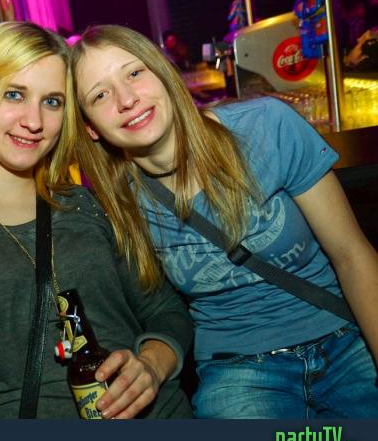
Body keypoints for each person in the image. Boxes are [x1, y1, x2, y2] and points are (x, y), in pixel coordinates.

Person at [0, 21, 193, 419]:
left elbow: (166, 311)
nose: (34, 121)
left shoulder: (83, 205)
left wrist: (151, 365)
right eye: (15, 94)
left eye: (52, 101)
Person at [70, 24, 378, 418]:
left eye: (134, 73)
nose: (126, 99)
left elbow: (351, 254)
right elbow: (158, 308)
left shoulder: (265, 127)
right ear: (91, 127)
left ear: (163, 74)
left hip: (344, 339)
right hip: (239, 370)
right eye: (100, 95)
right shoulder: (120, 205)